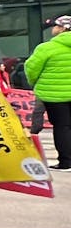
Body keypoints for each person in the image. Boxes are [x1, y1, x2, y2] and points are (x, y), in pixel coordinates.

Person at [24, 14, 71, 168]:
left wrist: (34, 83)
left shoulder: (46, 48)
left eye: (56, 26)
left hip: (54, 95)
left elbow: (31, 68)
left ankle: (66, 161)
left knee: (62, 126)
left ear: (63, 29)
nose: (53, 29)